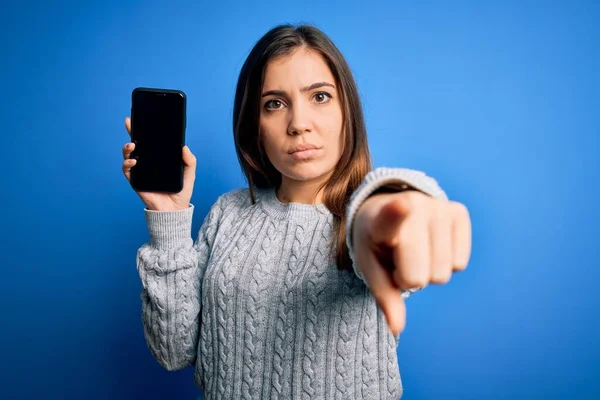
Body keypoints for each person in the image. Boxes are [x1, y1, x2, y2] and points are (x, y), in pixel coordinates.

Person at [121, 24, 471, 400]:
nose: (298, 124)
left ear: (346, 111)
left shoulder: (363, 216)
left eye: (320, 96)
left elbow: (382, 216)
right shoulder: (228, 212)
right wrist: (169, 220)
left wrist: (396, 209)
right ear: (254, 125)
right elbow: (173, 353)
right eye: (275, 103)